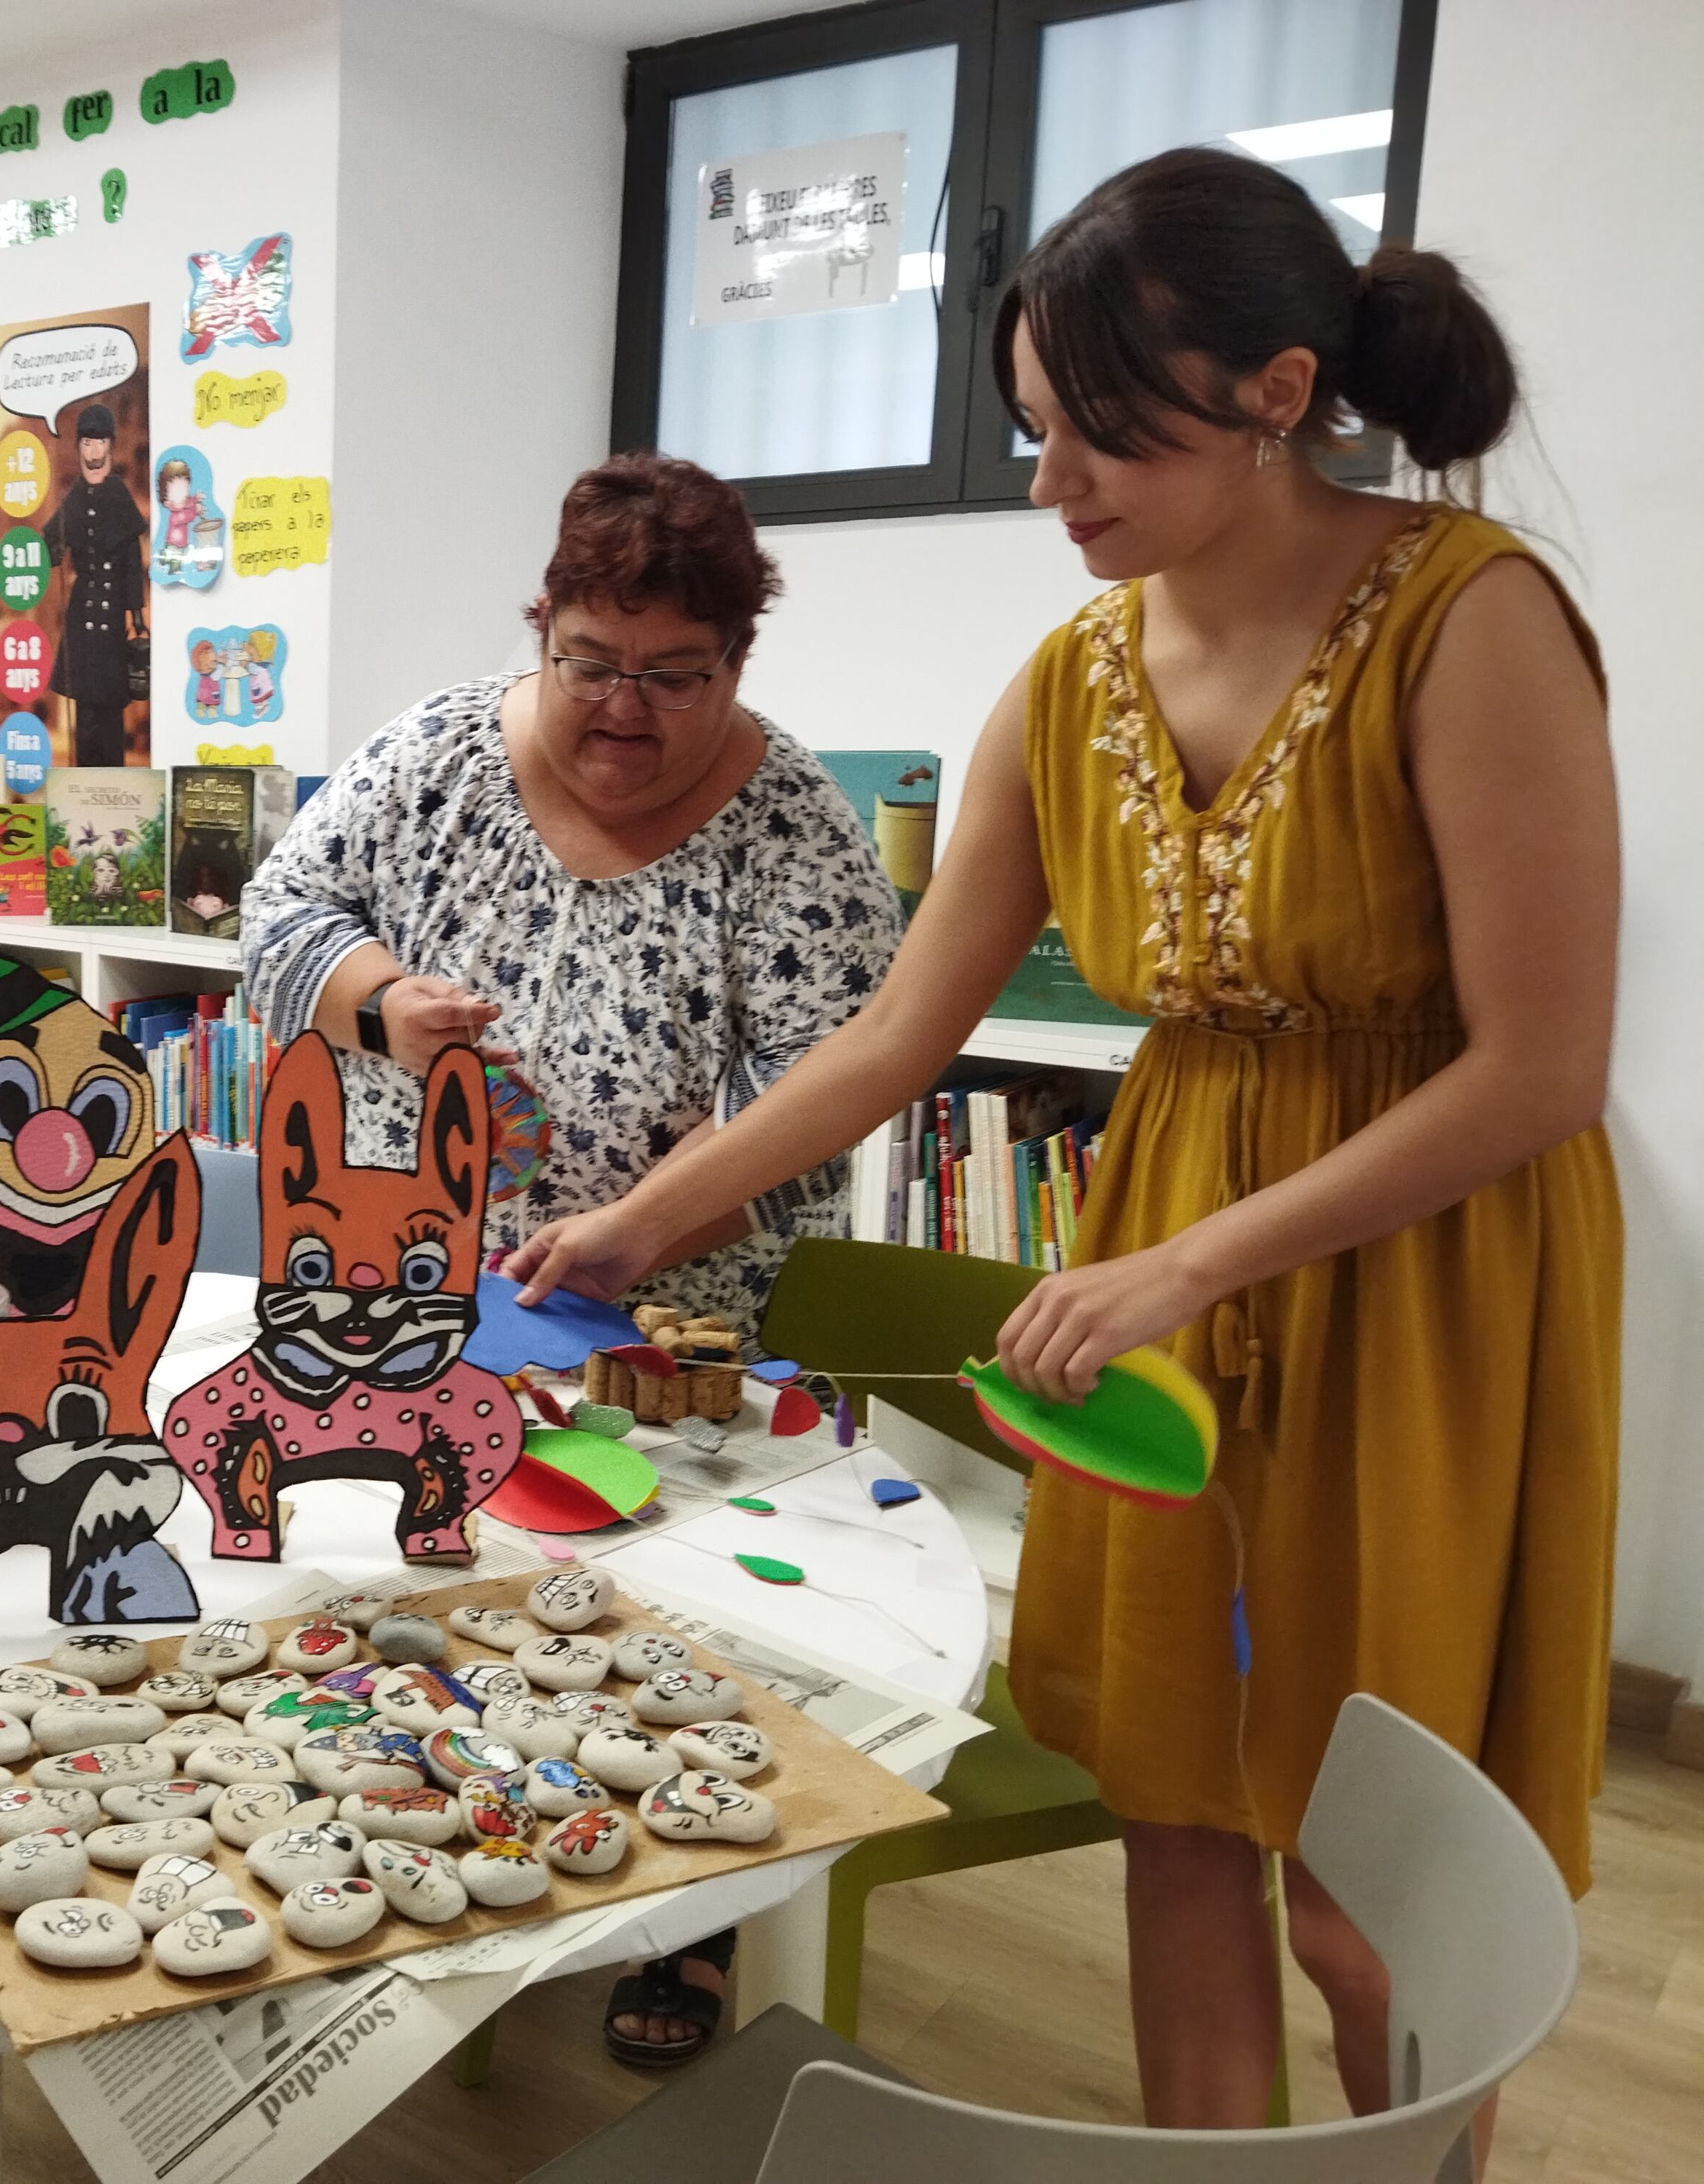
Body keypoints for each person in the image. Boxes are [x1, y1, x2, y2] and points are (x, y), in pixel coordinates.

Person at [508, 149, 1618, 2146]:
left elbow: (1538, 1070)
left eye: (1094, 431)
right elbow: (898, 1035)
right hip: (1156, 1278)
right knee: (1176, 1814)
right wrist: (636, 1224)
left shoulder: (1473, 620)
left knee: (1372, 1902)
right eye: (1033, 433)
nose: (1050, 486)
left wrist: (1188, 1264)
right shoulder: (1070, 682)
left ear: (1277, 391)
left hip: (1419, 1279)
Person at [243, 451, 904, 2062]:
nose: (620, 709)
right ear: (539, 627)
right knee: (415, 1585)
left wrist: (644, 1223)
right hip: (406, 1281)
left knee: (650, 1626)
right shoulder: (435, 754)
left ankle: (668, 1915)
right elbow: (275, 917)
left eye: (670, 678)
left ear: (734, 667)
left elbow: (818, 1102)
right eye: (588, 663)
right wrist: (383, 1001)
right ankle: (416, 1824)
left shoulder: (794, 828)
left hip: (663, 1320)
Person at [36, 400, 148, 767]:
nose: (94, 450)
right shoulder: (75, 496)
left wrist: (135, 614)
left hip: (113, 611)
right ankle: (84, 773)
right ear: (79, 447)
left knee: (110, 705)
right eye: (87, 442)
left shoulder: (118, 493)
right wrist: (51, 553)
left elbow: (132, 560)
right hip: (82, 610)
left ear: (110, 447)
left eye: (100, 442)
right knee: (84, 708)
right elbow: (51, 535)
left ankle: (111, 771)